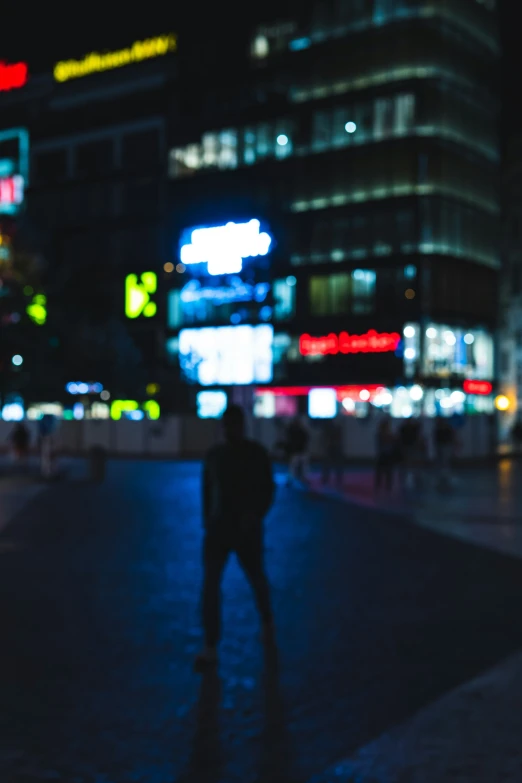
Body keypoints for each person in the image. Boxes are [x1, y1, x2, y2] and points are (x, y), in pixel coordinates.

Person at [196, 405, 275, 669]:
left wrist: (253, 516)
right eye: (228, 425)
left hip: (240, 528)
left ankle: (263, 622)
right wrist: (208, 519)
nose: (231, 430)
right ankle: (212, 643)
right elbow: (207, 490)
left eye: (234, 425)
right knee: (216, 585)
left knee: (247, 580)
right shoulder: (243, 454)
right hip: (226, 528)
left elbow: (266, 490)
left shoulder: (231, 455)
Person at [284, 417, 309, 485]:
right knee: (293, 466)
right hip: (295, 451)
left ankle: (303, 478)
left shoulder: (302, 431)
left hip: (301, 451)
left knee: (303, 466)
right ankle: (290, 479)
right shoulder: (292, 431)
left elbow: (305, 440)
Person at [398, 417, 420, 489]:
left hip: (411, 447)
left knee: (412, 462)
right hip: (406, 447)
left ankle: (413, 476)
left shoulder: (413, 428)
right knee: (405, 462)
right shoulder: (404, 428)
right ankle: (405, 476)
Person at [375, 418, 396, 492]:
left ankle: (387, 486)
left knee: (388, 472)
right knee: (382, 471)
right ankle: (380, 486)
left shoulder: (388, 434)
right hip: (383, 455)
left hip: (387, 455)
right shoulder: (381, 434)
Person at [434, 417, 456, 487]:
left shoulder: (447, 429)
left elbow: (451, 437)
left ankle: (446, 475)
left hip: (446, 446)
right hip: (440, 447)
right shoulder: (438, 429)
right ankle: (442, 475)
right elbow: (436, 439)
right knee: (442, 461)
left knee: (446, 461)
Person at [322, 418, 344, 486]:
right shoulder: (335, 428)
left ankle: (336, 479)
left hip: (334, 447)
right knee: (329, 464)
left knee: (335, 465)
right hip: (332, 447)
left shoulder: (336, 428)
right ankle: (327, 479)